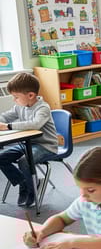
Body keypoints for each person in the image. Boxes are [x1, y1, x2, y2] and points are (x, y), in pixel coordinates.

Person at [0, 72, 58, 207]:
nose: (14, 100)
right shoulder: (19, 106)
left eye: (16, 97)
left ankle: (31, 189)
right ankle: (25, 182)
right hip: (27, 144)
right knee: (2, 158)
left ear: (31, 95)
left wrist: (7, 127)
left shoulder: (43, 108)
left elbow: (35, 124)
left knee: (24, 161)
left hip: (46, 146)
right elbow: (5, 117)